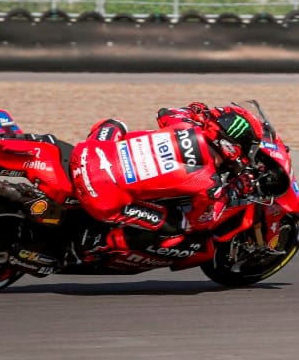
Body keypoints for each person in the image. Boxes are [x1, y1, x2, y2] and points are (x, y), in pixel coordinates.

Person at [69, 101, 265, 256]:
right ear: (232, 146)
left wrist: (194, 111)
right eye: (249, 146)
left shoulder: (184, 124)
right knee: (181, 226)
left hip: (87, 153)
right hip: (103, 197)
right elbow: (203, 221)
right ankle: (101, 244)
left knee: (115, 123)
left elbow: (165, 112)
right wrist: (235, 189)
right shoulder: (208, 182)